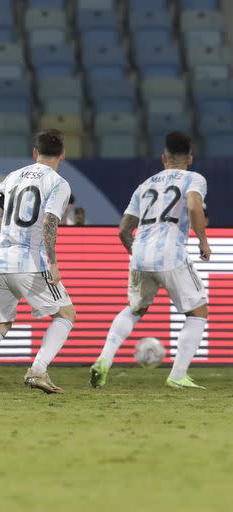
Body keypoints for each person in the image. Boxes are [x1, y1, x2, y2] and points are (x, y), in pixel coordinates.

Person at [90, 132, 211, 389]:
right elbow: (192, 205)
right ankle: (178, 375)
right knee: (198, 310)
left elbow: (123, 230)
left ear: (163, 157)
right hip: (171, 255)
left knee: (134, 309)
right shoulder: (194, 178)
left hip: (140, 255)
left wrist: (136, 255)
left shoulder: (144, 186)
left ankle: (103, 360)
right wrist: (203, 241)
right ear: (189, 158)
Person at [0, 129, 76, 395]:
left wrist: (10, 237)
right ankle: (37, 370)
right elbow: (49, 221)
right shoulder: (59, 183)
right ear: (63, 155)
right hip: (30, 263)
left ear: (35, 153)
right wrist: (53, 262)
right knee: (66, 314)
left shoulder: (12, 177)